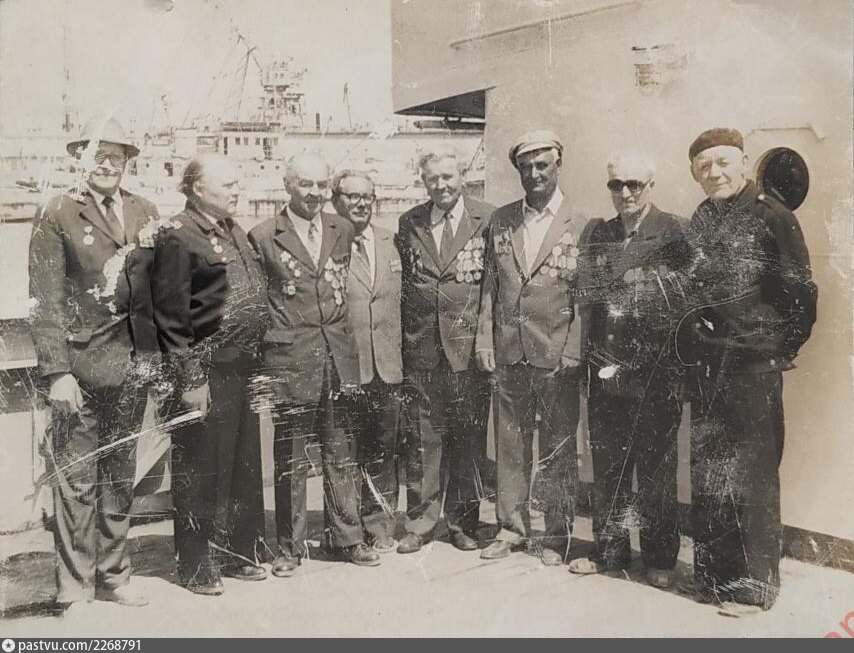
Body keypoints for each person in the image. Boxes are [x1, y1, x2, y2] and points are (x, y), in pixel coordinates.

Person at [678, 128, 817, 613]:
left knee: (754, 476)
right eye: (703, 167)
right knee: (711, 474)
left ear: (742, 163)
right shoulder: (702, 217)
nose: (714, 173)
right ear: (695, 175)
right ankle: (715, 579)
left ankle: (756, 587)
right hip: (708, 366)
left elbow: (801, 295)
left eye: (722, 163)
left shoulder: (772, 215)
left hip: (752, 369)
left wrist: (774, 348)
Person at [29, 116, 159, 609]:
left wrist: (155, 359)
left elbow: (157, 292)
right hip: (78, 370)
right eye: (97, 156)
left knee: (120, 477)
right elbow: (45, 300)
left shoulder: (145, 210)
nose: (107, 165)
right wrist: (57, 372)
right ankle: (75, 588)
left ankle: (114, 576)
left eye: (116, 157)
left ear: (128, 162)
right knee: (76, 481)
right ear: (79, 161)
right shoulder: (57, 211)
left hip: (131, 367)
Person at [248, 153, 380, 573]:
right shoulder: (264, 235)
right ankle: (290, 548)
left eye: (322, 185)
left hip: (337, 358)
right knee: (291, 458)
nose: (315, 193)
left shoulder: (341, 228)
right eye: (305, 184)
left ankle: (347, 538)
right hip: (291, 359)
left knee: (342, 451)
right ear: (288, 185)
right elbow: (258, 306)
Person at [151, 153, 269, 596]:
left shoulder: (232, 229)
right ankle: (197, 566)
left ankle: (240, 553)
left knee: (243, 467)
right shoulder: (178, 235)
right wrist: (191, 379)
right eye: (228, 183)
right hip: (206, 372)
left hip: (242, 366)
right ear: (198, 188)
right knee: (200, 469)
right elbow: (170, 315)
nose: (237, 189)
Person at [568, 150, 687, 588]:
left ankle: (660, 558)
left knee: (656, 471)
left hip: (655, 377)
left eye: (634, 184)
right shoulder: (598, 234)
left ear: (650, 186)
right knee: (608, 469)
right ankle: (610, 551)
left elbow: (687, 308)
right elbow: (588, 304)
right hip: (606, 375)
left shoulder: (675, 231)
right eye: (616, 184)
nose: (625, 193)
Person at [475, 130, 586, 565]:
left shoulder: (581, 222)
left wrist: (573, 350)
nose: (534, 173)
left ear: (558, 165)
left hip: (556, 355)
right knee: (509, 445)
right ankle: (510, 527)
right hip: (509, 352)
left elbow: (585, 297)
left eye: (542, 165)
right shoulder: (501, 220)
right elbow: (489, 286)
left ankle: (557, 535)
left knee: (558, 449)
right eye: (526, 167)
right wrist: (484, 338)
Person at [396, 146, 494, 554]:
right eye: (433, 178)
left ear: (462, 177)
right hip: (422, 349)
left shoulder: (487, 219)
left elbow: (491, 287)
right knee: (422, 440)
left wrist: (485, 341)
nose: (441, 185)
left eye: (448, 177)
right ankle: (420, 522)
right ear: (424, 182)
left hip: (467, 351)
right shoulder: (410, 221)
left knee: (468, 440)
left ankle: (463, 523)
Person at [331, 171, 404, 553]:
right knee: (344, 454)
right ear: (336, 200)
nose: (360, 203)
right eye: (352, 196)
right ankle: (347, 533)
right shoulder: (327, 243)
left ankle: (379, 525)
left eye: (367, 197)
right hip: (347, 366)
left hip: (387, 367)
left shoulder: (392, 241)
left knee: (383, 450)